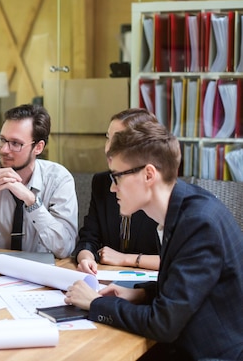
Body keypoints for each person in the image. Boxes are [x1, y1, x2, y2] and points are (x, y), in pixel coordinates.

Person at [64, 120, 243, 361]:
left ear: (149, 174)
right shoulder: (185, 206)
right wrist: (140, 294)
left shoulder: (199, 223)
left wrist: (95, 303)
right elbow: (185, 288)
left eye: (117, 177)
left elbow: (163, 324)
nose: (112, 189)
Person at [0, 104, 77, 258]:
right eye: (2, 140)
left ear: (38, 147)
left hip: (40, 272)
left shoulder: (59, 179)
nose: (3, 150)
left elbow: (65, 248)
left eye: (15, 143)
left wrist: (31, 200)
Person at [73, 108, 160, 273]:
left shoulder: (161, 189)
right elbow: (89, 237)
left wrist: (125, 259)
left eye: (118, 141)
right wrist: (86, 257)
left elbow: (178, 259)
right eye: (108, 139)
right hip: (107, 277)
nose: (108, 149)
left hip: (151, 285)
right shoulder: (102, 182)